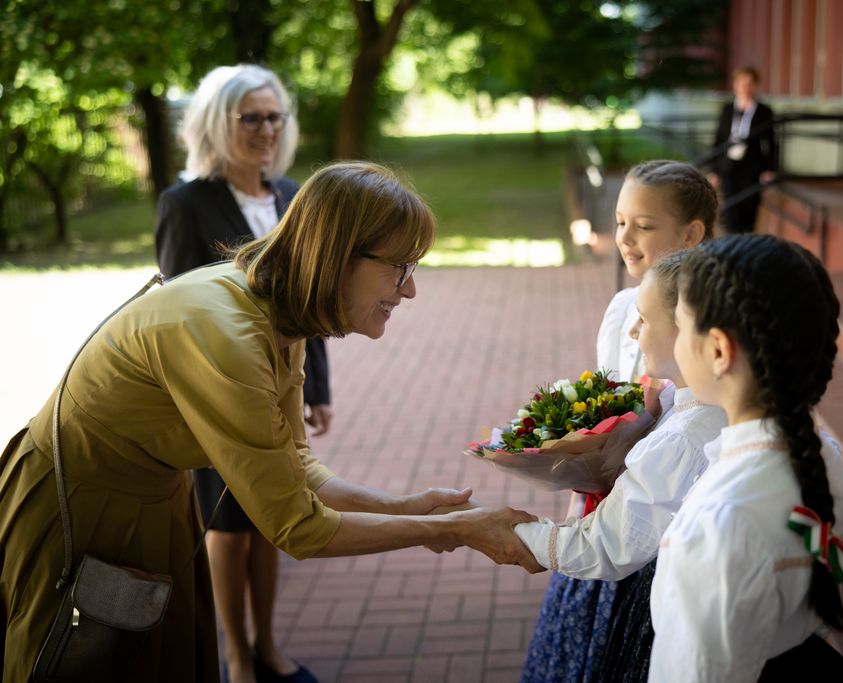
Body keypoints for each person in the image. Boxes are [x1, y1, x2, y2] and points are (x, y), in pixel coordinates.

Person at [0, 161, 541, 683]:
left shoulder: (279, 314)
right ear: (336, 257)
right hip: (81, 503)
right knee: (76, 659)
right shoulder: (227, 333)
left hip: (155, 500)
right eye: (399, 267)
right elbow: (298, 528)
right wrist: (454, 529)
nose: (409, 289)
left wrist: (402, 507)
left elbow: (296, 462)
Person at [154, 64, 331, 683]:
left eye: (273, 117)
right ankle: (234, 653)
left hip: (280, 386)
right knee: (228, 525)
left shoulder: (288, 195)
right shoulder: (184, 203)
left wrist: (319, 389)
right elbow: (174, 314)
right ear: (216, 123)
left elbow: (311, 299)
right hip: (215, 395)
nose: (264, 129)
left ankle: (267, 642)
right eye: (249, 117)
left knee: (272, 516)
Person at [519, 161, 718, 683]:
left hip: (657, 527)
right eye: (620, 220)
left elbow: (686, 437)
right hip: (610, 511)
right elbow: (609, 408)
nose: (625, 237)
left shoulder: (711, 335)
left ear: (692, 234)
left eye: (645, 226)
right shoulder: (621, 308)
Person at [649, 234, 843, 682]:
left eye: (683, 325)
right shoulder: (825, 462)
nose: (677, 342)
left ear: (718, 350)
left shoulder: (720, 524)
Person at [708, 66, 778, 234]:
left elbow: (772, 143)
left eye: (749, 83)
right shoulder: (727, 110)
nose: (745, 87)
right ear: (735, 85)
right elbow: (718, 140)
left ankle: (746, 250)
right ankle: (732, 249)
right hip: (728, 166)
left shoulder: (764, 111)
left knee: (749, 210)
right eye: (741, 83)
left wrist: (770, 169)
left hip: (752, 167)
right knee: (731, 211)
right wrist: (714, 170)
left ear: (755, 86)